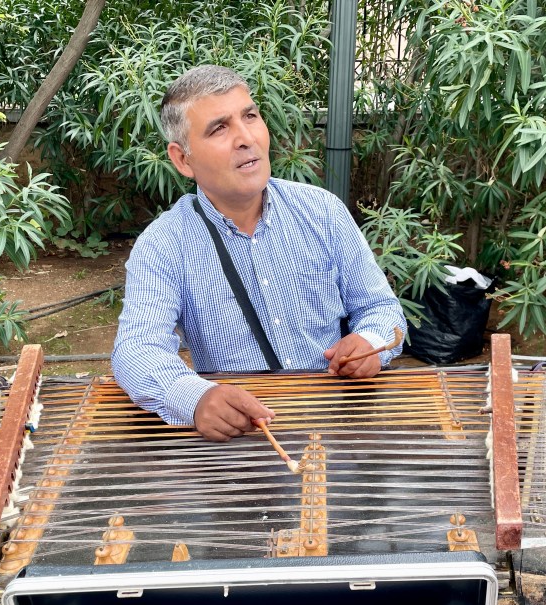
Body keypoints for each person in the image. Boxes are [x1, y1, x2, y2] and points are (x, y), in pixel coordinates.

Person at [112, 65, 405, 441]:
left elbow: (381, 309)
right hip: (248, 438)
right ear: (183, 159)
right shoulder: (164, 246)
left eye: (250, 116)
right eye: (219, 128)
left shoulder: (322, 212)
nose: (246, 137)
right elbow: (137, 349)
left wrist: (371, 343)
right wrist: (196, 398)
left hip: (335, 427)